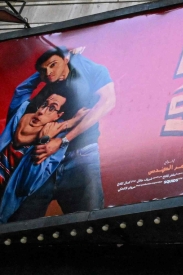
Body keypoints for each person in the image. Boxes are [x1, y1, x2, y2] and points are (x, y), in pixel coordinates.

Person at [6, 46, 115, 221]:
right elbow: (20, 135)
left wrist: (63, 139)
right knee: (18, 225)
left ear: (65, 59)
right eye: (44, 69)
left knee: (90, 222)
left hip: (80, 155)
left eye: (53, 65)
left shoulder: (91, 71)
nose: (48, 72)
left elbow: (107, 102)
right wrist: (67, 125)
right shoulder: (45, 93)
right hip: (42, 162)